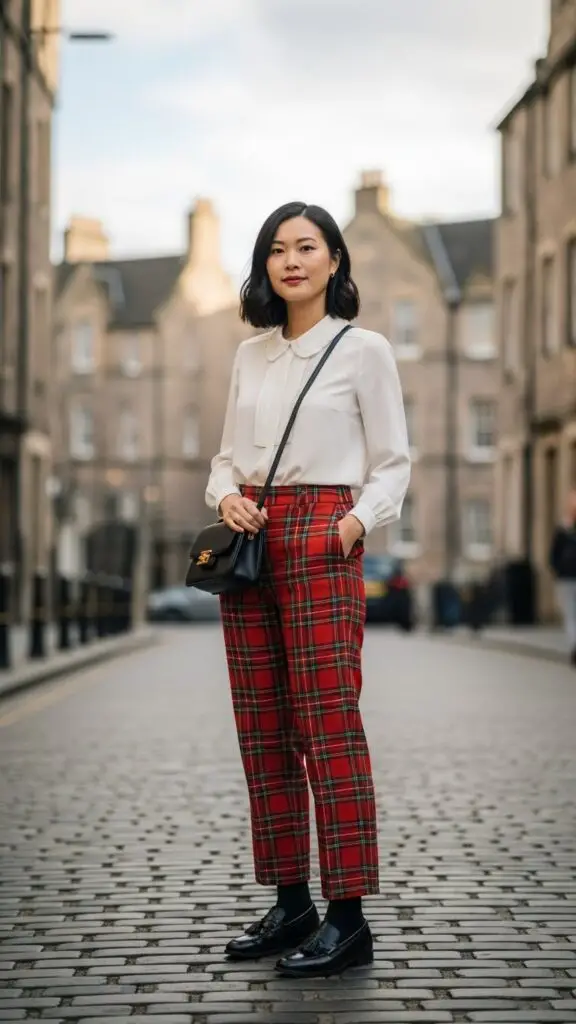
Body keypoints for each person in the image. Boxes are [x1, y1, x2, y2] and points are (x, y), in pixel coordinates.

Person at [205, 201, 411, 978]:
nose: (291, 261)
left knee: (328, 726)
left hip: (323, 530)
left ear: (333, 261)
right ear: (264, 268)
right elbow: (227, 456)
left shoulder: (365, 350)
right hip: (252, 536)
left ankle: (348, 915)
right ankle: (292, 901)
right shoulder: (248, 356)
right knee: (263, 727)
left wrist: (353, 526)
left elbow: (394, 460)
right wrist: (225, 495)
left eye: (307, 247)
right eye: (277, 250)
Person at [549, 488, 576, 666]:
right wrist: (559, 570)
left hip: (565, 577)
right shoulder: (563, 529)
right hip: (566, 579)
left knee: (572, 615)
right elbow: (553, 555)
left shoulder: (563, 529)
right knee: (571, 614)